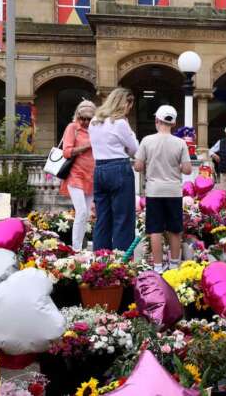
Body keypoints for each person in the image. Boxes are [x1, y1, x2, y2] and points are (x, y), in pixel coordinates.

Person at [135, 105, 192, 273]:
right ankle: (174, 265)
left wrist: (150, 163)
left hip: (154, 191)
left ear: (156, 120)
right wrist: (176, 167)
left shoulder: (147, 140)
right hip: (174, 191)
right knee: (175, 229)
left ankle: (158, 267)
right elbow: (188, 169)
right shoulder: (180, 142)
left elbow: (138, 166)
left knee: (155, 230)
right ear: (173, 123)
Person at [88, 87, 139, 251]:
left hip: (100, 169)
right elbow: (135, 150)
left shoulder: (94, 121)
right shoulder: (120, 123)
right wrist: (129, 130)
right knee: (123, 218)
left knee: (103, 218)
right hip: (119, 168)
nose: (129, 110)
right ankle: (121, 260)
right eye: (129, 105)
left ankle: (101, 258)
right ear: (124, 104)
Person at [60, 100, 96, 252]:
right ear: (78, 116)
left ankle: (80, 245)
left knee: (86, 213)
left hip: (92, 175)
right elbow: (66, 151)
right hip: (76, 174)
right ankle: (75, 249)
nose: (86, 122)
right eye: (83, 118)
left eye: (89, 118)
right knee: (81, 211)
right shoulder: (72, 127)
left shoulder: (96, 129)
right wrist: (87, 146)